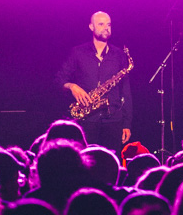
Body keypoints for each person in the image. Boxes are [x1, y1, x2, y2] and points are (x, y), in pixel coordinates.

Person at [56, 11, 133, 152]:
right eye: (101, 24)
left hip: (113, 120)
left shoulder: (119, 55)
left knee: (110, 166)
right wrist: (72, 86)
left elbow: (126, 91)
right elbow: (59, 79)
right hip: (86, 120)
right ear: (91, 27)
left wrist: (126, 124)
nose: (106, 28)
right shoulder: (77, 52)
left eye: (109, 24)